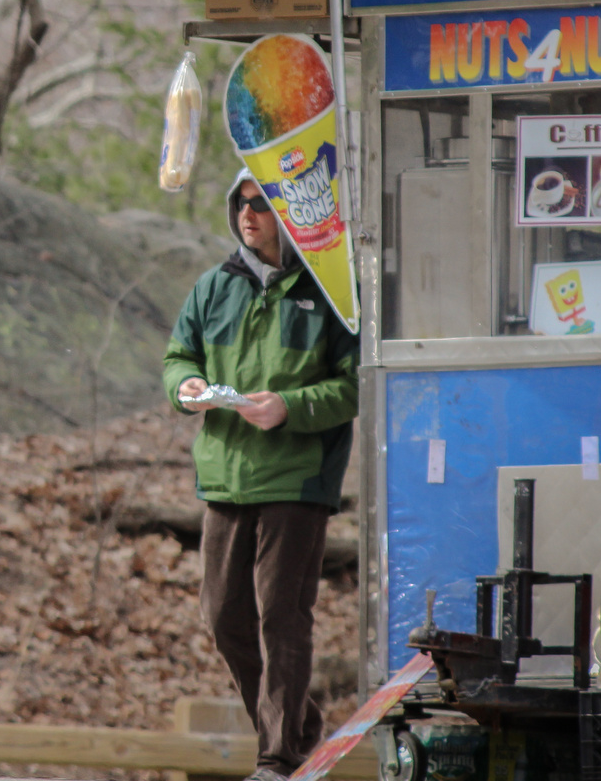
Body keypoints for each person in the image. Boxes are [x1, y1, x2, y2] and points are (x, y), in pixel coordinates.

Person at [162, 168, 359, 781]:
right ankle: (298, 725)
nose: (249, 215)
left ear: (289, 215)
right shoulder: (213, 286)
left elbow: (354, 386)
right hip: (225, 476)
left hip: (298, 481)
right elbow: (178, 357)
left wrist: (290, 407)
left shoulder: (330, 294)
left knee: (281, 616)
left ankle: (279, 757)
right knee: (224, 616)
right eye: (241, 204)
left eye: (263, 204)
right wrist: (185, 387)